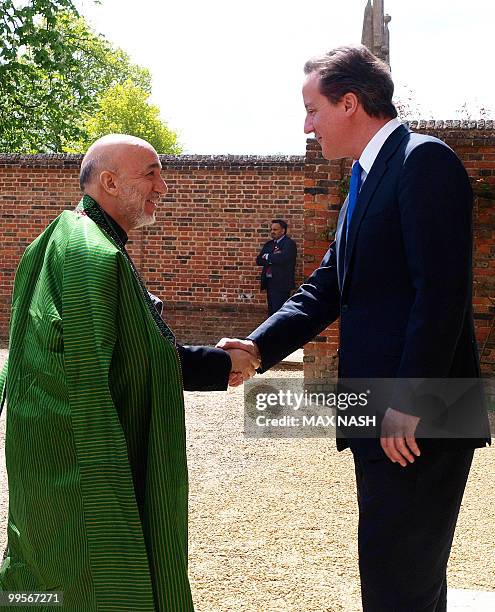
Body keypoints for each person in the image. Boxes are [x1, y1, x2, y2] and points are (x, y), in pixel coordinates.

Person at [219, 46, 490, 611]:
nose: (306, 124)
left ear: (349, 103)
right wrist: (258, 347)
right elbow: (326, 288)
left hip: (419, 418)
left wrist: (410, 400)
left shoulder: (424, 163)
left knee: (402, 587)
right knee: (394, 578)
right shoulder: (365, 179)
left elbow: (440, 295)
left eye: (312, 109)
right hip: (384, 415)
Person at [0, 134, 258, 610]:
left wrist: (211, 360)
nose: (163, 187)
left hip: (45, 458)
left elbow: (135, 346)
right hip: (74, 469)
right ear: (110, 182)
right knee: (88, 577)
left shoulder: (64, 238)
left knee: (43, 572)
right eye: (151, 174)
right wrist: (224, 363)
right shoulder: (92, 256)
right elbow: (115, 365)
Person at [256, 219, 297, 315]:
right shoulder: (269, 244)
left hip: (282, 283)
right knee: (271, 311)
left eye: (275, 230)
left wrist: (268, 256)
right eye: (271, 229)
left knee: (279, 312)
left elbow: (283, 258)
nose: (272, 232)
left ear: (283, 231)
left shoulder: (289, 244)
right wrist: (272, 258)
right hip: (269, 282)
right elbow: (259, 260)